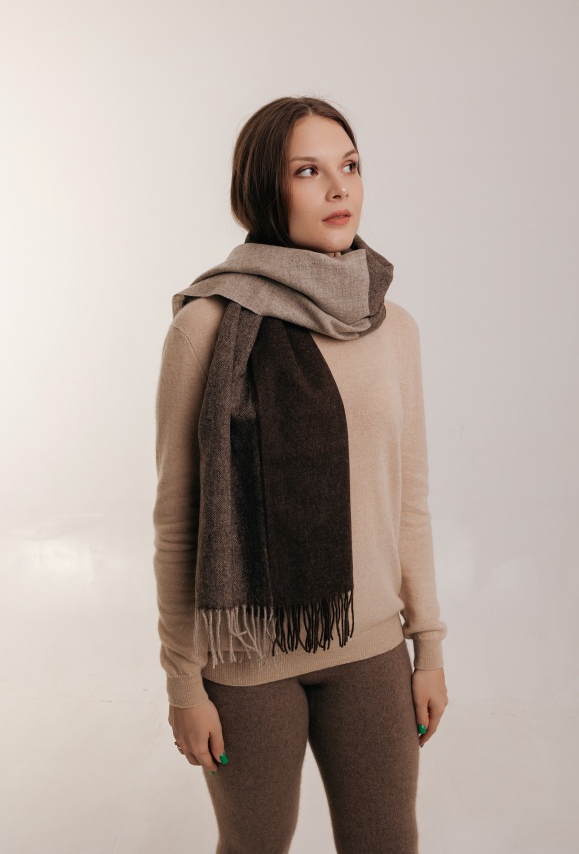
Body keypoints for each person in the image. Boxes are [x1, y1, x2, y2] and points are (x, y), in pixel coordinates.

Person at [153, 95, 449, 854]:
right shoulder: (205, 329)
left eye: (349, 165)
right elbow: (179, 522)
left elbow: (408, 501)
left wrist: (429, 646)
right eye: (308, 171)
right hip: (246, 663)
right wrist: (184, 683)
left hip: (372, 649)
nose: (339, 187)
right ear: (263, 189)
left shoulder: (394, 328)